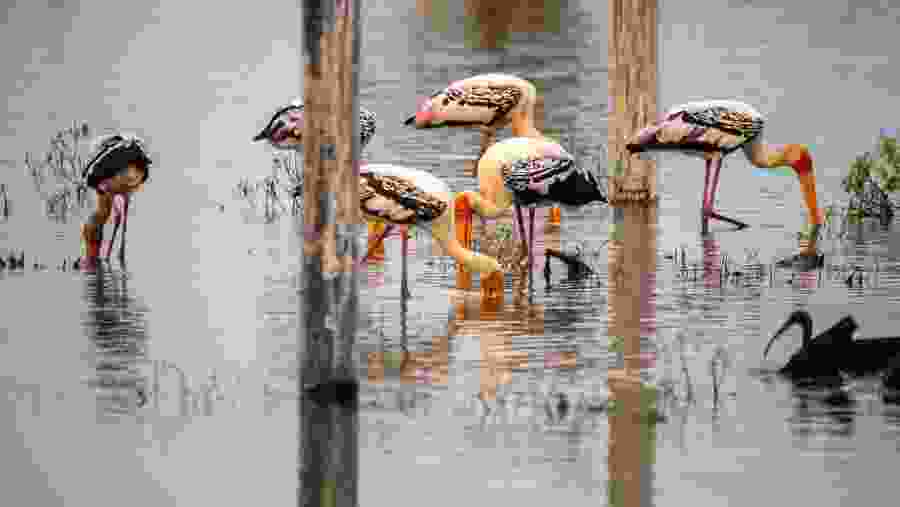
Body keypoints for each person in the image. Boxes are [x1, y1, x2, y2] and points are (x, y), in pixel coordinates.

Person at [79, 134, 151, 267]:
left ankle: (97, 257)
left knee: (103, 212)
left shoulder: (93, 178)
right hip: (138, 170)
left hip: (122, 167)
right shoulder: (100, 173)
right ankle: (107, 258)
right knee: (116, 214)